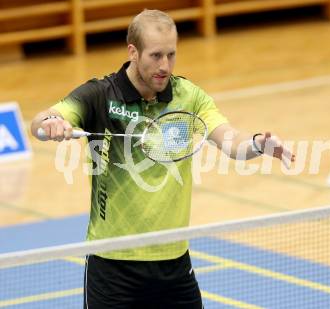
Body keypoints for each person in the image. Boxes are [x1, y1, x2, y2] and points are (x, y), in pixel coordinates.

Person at [30, 9, 295, 309]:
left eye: (171, 55)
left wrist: (259, 144)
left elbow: (229, 139)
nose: (164, 66)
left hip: (174, 263)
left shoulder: (188, 96)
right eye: (156, 55)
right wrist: (51, 123)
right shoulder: (101, 95)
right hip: (114, 264)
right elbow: (40, 122)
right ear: (133, 51)